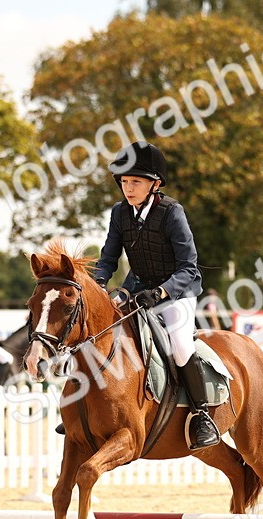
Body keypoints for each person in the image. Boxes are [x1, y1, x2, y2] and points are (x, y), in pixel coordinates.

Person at [91, 140, 219, 450]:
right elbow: (108, 259)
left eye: (135, 181)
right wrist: (97, 286)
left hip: (178, 292)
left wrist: (161, 292)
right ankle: (90, 407)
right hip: (137, 290)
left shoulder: (172, 212)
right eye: (124, 181)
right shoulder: (120, 213)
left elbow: (188, 266)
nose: (128, 188)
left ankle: (202, 416)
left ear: (155, 184)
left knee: (179, 345)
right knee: (101, 333)